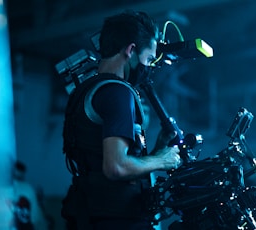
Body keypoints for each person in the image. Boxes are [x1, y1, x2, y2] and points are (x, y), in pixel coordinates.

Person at [61, 10, 181, 230]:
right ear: (131, 50)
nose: (149, 68)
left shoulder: (86, 90)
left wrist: (157, 151)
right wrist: (164, 160)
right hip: (118, 220)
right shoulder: (118, 92)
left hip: (89, 214)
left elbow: (103, 161)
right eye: (149, 59)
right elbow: (115, 167)